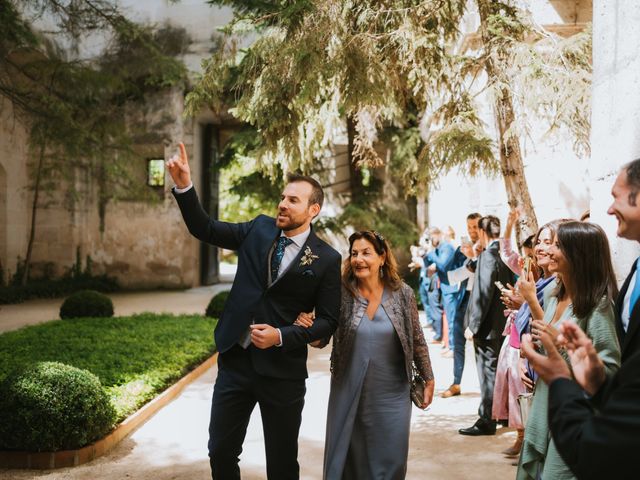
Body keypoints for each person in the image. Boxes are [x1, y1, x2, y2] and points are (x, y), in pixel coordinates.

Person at [166, 143, 341, 480]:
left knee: (281, 463)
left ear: (313, 210)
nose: (282, 204)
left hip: (283, 374)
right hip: (235, 362)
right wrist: (185, 186)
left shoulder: (326, 259)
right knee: (220, 452)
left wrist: (283, 336)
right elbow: (206, 228)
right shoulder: (258, 229)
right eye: (283, 197)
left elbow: (328, 322)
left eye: (293, 200)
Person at [519, 159, 640, 479]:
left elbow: (612, 364)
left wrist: (564, 371)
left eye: (616, 196)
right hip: (553, 409)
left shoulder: (598, 304)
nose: (610, 208)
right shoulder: (553, 293)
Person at [296, 230, 435, 479]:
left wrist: (429, 378)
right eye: (354, 254)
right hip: (349, 391)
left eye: (366, 253)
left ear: (382, 257)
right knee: (351, 458)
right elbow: (322, 338)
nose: (358, 259)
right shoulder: (340, 293)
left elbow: (417, 340)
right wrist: (309, 329)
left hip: (392, 395)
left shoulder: (403, 294)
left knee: (391, 458)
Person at [516, 221, 620, 480]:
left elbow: (610, 372)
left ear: (578, 254)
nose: (547, 249)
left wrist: (559, 344)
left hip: (576, 416)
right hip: (546, 407)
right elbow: (549, 341)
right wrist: (531, 353)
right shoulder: (553, 293)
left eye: (558, 245)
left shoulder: (598, 305)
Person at [492, 219, 564, 457]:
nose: (541, 248)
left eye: (548, 242)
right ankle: (523, 440)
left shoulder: (557, 286)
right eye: (539, 242)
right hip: (528, 357)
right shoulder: (537, 279)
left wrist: (528, 302)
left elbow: (551, 330)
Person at [459, 215, 516, 436]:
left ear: (482, 232)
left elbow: (483, 294)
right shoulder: (504, 255)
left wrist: (472, 326)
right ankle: (500, 414)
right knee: (497, 371)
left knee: (487, 372)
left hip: (486, 326)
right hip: (501, 323)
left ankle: (487, 419)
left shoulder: (489, 256)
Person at [441, 212, 482, 398]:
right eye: (469, 227)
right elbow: (450, 276)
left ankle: (487, 389)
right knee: (458, 342)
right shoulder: (460, 251)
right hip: (464, 298)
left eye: (475, 226)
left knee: (481, 346)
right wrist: (468, 264)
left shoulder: (487, 249)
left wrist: (476, 258)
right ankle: (456, 383)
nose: (472, 231)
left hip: (482, 300)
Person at [425, 226, 459, 353]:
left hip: (451, 287)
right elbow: (427, 264)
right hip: (445, 287)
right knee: (447, 318)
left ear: (437, 234)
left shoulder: (447, 247)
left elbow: (443, 265)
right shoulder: (438, 249)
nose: (431, 240)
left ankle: (453, 348)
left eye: (431, 237)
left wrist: (431, 253)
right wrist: (427, 252)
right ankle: (449, 345)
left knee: (451, 319)